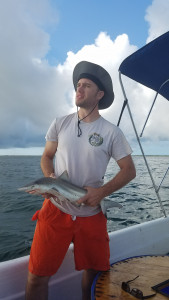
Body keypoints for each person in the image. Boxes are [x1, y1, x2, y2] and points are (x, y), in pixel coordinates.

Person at [25, 61, 136, 300]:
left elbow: (129, 170)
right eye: (78, 84)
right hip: (56, 210)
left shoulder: (111, 132)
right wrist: (50, 179)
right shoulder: (59, 123)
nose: (79, 88)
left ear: (100, 94)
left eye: (86, 85)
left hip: (92, 212)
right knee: (36, 277)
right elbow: (47, 156)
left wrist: (101, 193)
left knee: (94, 277)